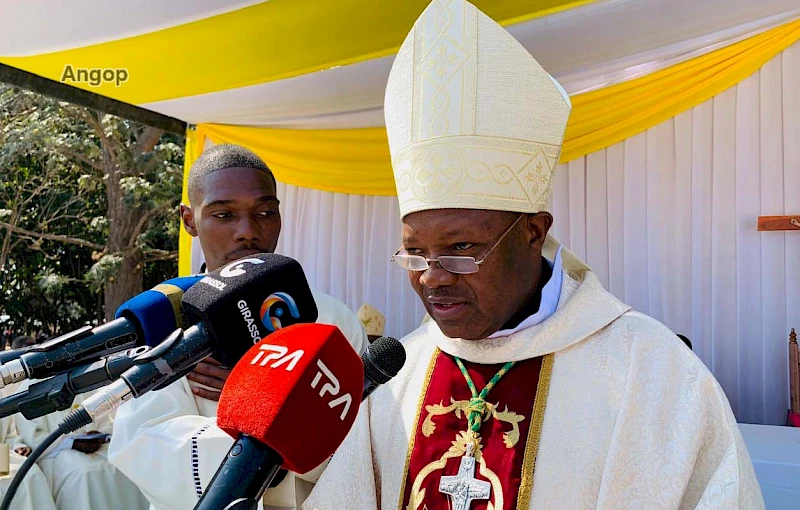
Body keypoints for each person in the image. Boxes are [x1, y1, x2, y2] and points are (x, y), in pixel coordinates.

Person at [304, 2, 764, 509]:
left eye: (461, 250)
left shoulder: (649, 373)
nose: (432, 278)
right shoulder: (398, 379)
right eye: (414, 254)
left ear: (533, 231)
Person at [108, 144, 367, 510]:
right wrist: (258, 429)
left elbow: (360, 441)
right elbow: (141, 441)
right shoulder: (164, 320)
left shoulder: (331, 319)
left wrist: (260, 396)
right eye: (224, 214)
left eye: (264, 212)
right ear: (189, 220)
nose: (247, 231)